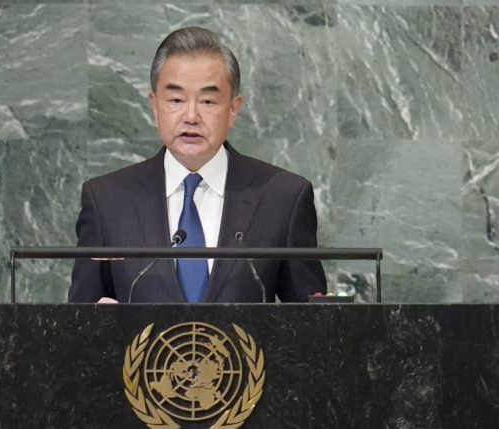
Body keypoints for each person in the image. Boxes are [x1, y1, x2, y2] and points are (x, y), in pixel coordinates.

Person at [68, 26, 325, 303]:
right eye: (176, 100)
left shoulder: (283, 198)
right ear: (154, 105)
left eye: (208, 101)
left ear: (233, 108)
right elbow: (79, 323)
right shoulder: (107, 200)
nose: (191, 116)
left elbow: (312, 328)